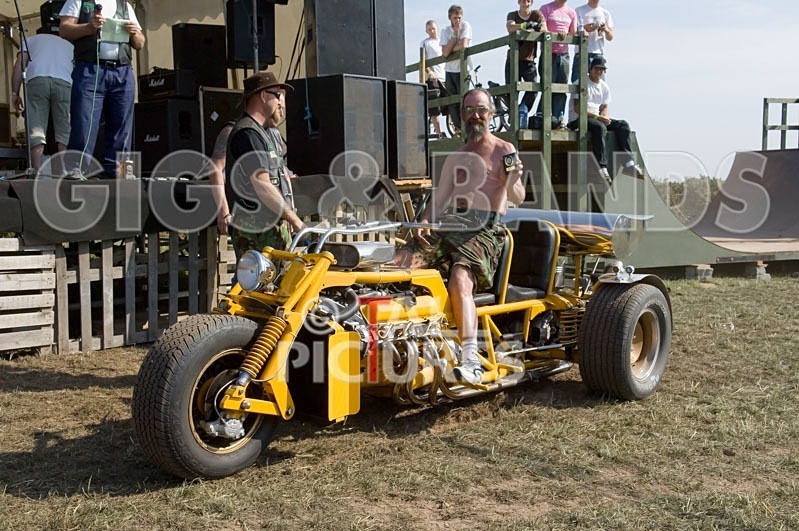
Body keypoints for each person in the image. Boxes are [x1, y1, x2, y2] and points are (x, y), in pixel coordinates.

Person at [395, 88, 525, 385]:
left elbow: (518, 195)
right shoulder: (457, 156)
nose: (474, 115)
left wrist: (512, 179)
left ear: (491, 114)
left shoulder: (505, 151)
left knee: (459, 277)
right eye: (468, 110)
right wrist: (425, 220)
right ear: (461, 115)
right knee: (401, 262)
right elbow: (439, 199)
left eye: (480, 109)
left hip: (486, 227)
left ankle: (470, 360)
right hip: (451, 223)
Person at [59, 0, 145, 178]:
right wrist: (89, 28)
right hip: (90, 69)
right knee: (84, 121)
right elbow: (64, 29)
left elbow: (140, 43)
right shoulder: (79, 2)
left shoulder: (125, 6)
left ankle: (121, 171)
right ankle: (77, 167)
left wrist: (134, 33)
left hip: (122, 70)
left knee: (122, 124)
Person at [225, 71, 304, 257]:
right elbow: (262, 184)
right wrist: (294, 220)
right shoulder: (248, 134)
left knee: (280, 283)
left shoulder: (268, 133)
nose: (281, 101)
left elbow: (281, 175)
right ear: (262, 95)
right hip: (255, 229)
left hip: (272, 227)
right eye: (278, 95)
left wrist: (290, 214)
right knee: (259, 283)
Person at [567, 56, 644, 183]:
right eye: (597, 68)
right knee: (599, 127)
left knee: (623, 125)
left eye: (602, 69)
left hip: (596, 117)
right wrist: (599, 118)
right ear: (590, 69)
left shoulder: (604, 87)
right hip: (579, 119)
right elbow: (577, 108)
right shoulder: (581, 83)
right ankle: (602, 166)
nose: (599, 71)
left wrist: (605, 117)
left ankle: (628, 163)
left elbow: (604, 106)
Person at [10, 27, 74, 172]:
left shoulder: (30, 40)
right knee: (64, 128)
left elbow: (20, 64)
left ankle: (36, 170)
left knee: (36, 126)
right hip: (64, 82)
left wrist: (15, 93)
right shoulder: (69, 45)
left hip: (37, 80)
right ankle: (65, 171)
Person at [536, 0, 577, 120]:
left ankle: (558, 117)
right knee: (547, 85)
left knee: (562, 86)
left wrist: (566, 33)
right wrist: (554, 34)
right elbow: (542, 29)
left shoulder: (571, 12)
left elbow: (573, 33)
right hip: (548, 53)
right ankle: (542, 116)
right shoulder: (545, 8)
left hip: (564, 54)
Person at [505, 0, 546, 113]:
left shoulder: (536, 14)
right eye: (523, 1)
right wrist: (525, 25)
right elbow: (510, 27)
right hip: (513, 59)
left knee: (533, 88)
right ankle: (513, 115)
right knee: (511, 90)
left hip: (529, 60)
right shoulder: (512, 14)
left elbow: (544, 28)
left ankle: (521, 112)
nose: (525, 3)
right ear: (519, 2)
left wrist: (532, 30)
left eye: (528, 1)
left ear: (531, 2)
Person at [440, 5, 473, 131]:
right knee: (451, 102)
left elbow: (463, 45)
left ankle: (467, 127)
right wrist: (454, 36)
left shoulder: (466, 26)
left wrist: (450, 49)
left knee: (464, 100)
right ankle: (459, 129)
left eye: (459, 17)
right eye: (455, 18)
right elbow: (444, 53)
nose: (458, 21)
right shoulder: (445, 31)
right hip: (449, 70)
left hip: (463, 69)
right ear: (450, 18)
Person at [572, 0, 614, 83]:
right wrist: (586, 28)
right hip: (581, 52)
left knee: (598, 85)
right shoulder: (578, 10)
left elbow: (610, 37)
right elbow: (573, 32)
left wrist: (605, 29)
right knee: (577, 84)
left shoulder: (605, 13)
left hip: (598, 53)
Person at [421, 20, 447, 138]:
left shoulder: (442, 42)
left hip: (445, 76)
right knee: (434, 108)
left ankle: (455, 130)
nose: (432, 31)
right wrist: (430, 72)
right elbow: (423, 60)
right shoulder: (425, 43)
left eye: (433, 29)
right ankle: (438, 133)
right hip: (432, 79)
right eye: (429, 29)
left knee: (449, 104)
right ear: (426, 31)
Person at [209, 121, 235, 235]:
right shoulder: (232, 130)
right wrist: (224, 212)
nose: (281, 109)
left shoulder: (271, 132)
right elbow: (215, 169)